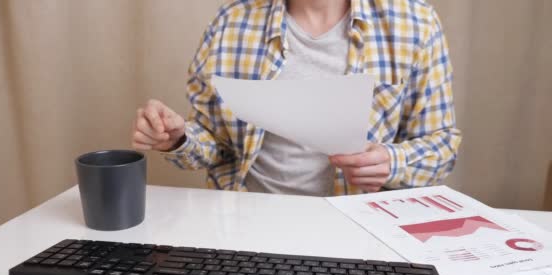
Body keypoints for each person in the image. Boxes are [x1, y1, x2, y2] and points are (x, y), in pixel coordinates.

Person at [131, 0, 461, 196]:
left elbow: (443, 148)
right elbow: (215, 144)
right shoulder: (232, 21)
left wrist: (392, 162)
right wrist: (178, 138)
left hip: (361, 228)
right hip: (248, 221)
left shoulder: (414, 22)